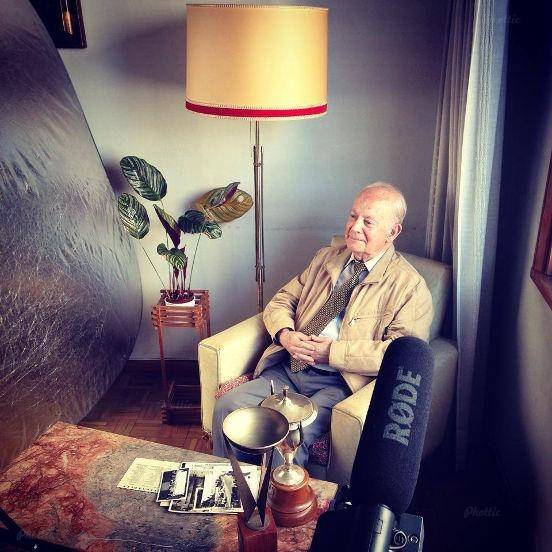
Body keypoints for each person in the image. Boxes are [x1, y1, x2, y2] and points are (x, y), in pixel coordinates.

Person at [212, 182, 434, 466]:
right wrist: (285, 334)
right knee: (228, 408)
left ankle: (277, 495)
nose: (355, 227)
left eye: (368, 222)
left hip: (339, 382)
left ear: (393, 232)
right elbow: (282, 300)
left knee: (288, 439)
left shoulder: (409, 287)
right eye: (353, 216)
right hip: (288, 368)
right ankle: (229, 486)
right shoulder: (326, 257)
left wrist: (331, 353)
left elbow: (402, 357)